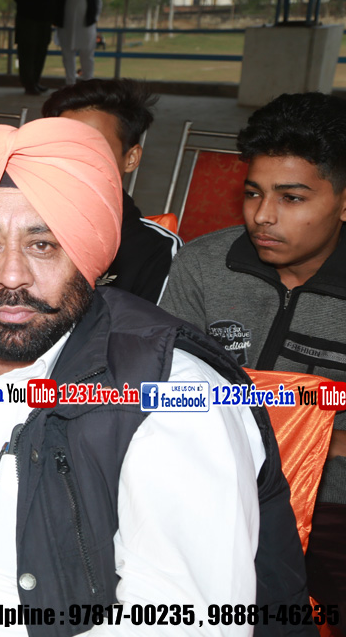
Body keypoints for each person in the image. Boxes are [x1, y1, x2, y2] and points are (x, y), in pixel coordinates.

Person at [0, 117, 311, 637]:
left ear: (87, 257)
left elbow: (180, 620)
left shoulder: (172, 394)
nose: (11, 275)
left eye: (42, 245)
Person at [158, 92, 346, 614]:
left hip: (333, 507)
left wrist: (317, 444)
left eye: (292, 198)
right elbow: (161, 391)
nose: (263, 216)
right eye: (253, 193)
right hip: (210, 490)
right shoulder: (204, 266)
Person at [42, 78, 181, 301]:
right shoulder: (16, 229)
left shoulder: (156, 251)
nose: (75, 161)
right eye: (64, 146)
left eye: (95, 148)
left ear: (131, 158)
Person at [12, 0, 54, 95]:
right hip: (28, 20)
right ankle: (28, 84)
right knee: (27, 53)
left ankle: (35, 81)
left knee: (40, 52)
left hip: (44, 21)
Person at [55, 0, 100, 85]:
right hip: (66, 26)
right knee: (67, 56)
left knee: (87, 56)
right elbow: (55, 1)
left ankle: (88, 86)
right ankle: (70, 85)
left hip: (86, 25)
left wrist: (95, 18)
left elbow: (98, 1)